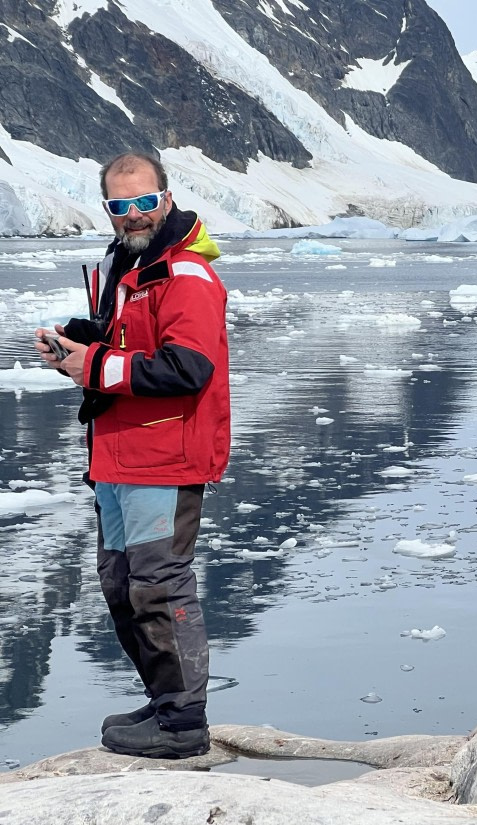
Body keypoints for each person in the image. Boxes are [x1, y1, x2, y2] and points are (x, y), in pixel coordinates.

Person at [35, 152, 230, 759]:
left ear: (166, 198)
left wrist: (92, 364)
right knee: (122, 584)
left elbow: (187, 368)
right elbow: (129, 342)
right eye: (121, 205)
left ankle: (183, 725)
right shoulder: (128, 266)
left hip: (164, 458)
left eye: (145, 201)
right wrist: (79, 344)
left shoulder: (186, 275)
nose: (134, 214)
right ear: (108, 209)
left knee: (159, 586)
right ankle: (165, 702)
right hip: (118, 456)